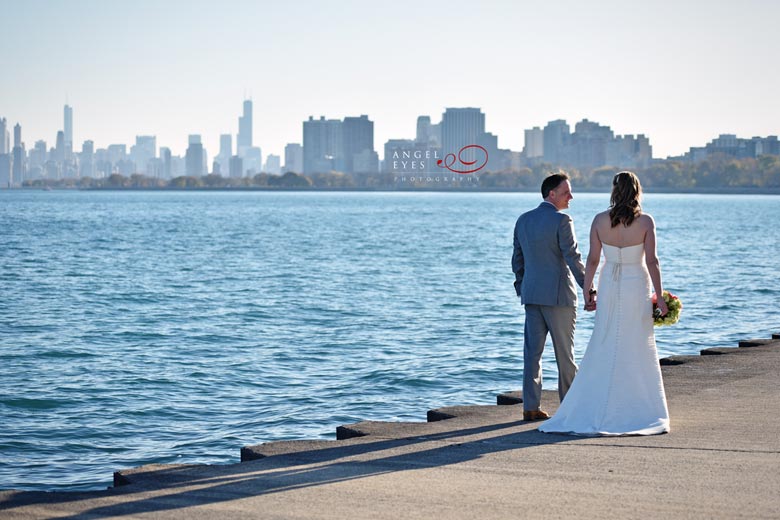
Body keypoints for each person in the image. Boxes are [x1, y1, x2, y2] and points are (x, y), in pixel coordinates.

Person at [539, 171, 670, 436]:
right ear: (637, 192)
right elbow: (653, 261)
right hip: (636, 283)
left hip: (610, 282)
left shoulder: (599, 220)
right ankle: (637, 406)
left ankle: (594, 403)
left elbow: (592, 261)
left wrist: (588, 291)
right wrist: (661, 296)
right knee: (637, 340)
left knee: (605, 338)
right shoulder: (645, 222)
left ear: (614, 191)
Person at [512, 172, 592, 422]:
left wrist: (522, 287)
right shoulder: (562, 220)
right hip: (559, 298)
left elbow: (517, 260)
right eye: (566, 191)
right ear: (551, 194)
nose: (571, 196)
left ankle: (531, 407)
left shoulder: (523, 220)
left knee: (532, 355)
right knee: (565, 355)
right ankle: (569, 407)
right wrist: (588, 289)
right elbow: (573, 257)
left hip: (532, 295)